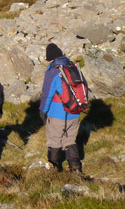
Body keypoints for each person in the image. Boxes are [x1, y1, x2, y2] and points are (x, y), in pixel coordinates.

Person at [39, 43, 83, 173]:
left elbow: (47, 94)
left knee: (54, 141)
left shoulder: (53, 71)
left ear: (51, 59)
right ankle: (76, 169)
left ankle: (54, 170)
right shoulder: (73, 67)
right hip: (75, 111)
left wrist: (42, 111)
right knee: (70, 140)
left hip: (57, 113)